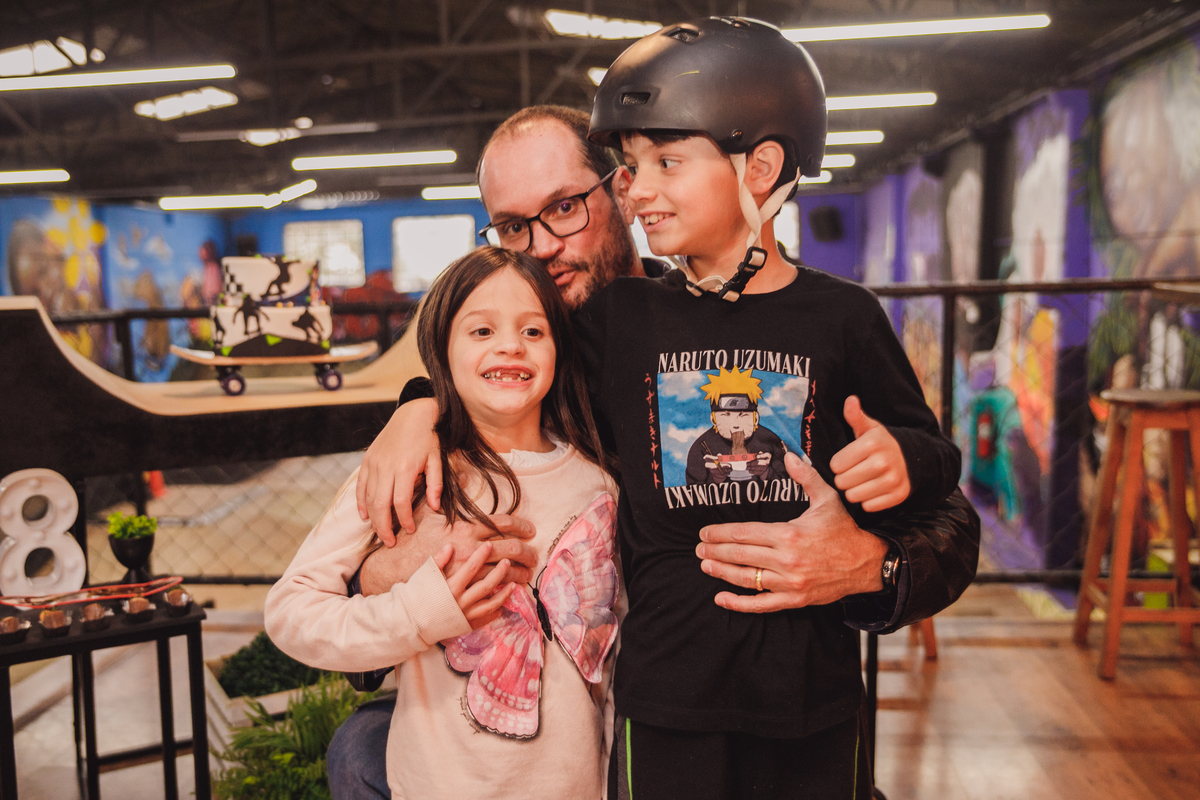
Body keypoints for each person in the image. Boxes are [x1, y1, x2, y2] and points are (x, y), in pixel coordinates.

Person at [363, 19, 976, 800]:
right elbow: (491, 369)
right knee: (362, 751)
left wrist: (881, 545)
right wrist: (420, 405)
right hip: (639, 702)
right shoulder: (606, 330)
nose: (539, 246)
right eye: (513, 227)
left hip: (808, 695)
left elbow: (935, 483)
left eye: (564, 208)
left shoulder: (839, 318)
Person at [265, 246, 621, 800]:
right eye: (481, 331)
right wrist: (418, 613)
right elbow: (291, 611)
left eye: (533, 331)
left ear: (559, 348)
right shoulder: (406, 474)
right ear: (441, 350)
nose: (510, 345)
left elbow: (614, 658)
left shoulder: (598, 485)